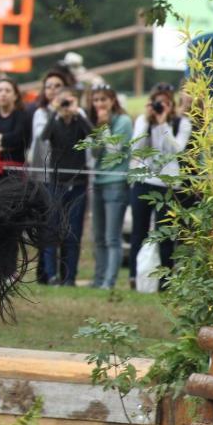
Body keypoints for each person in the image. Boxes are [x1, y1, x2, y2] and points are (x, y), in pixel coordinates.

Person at [128, 82, 191, 289]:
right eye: (158, 102)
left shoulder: (181, 123)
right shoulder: (143, 121)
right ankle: (134, 277)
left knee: (165, 233)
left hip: (168, 184)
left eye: (165, 102)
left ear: (172, 104)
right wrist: (147, 122)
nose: (161, 106)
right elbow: (136, 148)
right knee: (139, 231)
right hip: (144, 180)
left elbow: (177, 150)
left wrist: (163, 124)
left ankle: (165, 280)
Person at [38, 87, 92, 286]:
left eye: (69, 101)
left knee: (73, 232)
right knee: (52, 229)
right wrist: (55, 112)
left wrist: (79, 113)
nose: (66, 106)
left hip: (77, 184)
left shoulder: (79, 123)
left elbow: (93, 134)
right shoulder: (55, 122)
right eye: (64, 102)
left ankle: (70, 277)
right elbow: (44, 137)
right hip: (56, 183)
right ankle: (52, 275)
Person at [88, 83, 133, 290]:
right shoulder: (97, 122)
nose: (99, 104)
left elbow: (114, 152)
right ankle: (98, 280)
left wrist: (104, 127)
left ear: (112, 101)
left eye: (103, 99)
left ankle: (109, 281)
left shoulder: (123, 121)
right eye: (96, 100)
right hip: (98, 182)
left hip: (116, 183)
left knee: (111, 237)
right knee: (98, 237)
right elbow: (95, 153)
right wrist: (99, 128)